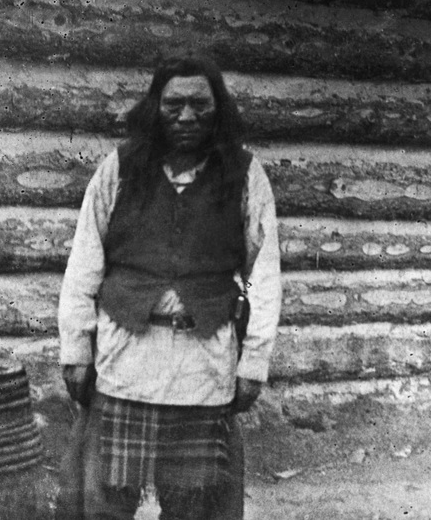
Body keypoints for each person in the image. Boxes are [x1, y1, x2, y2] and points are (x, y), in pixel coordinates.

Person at [58, 55, 282, 520]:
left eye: (199, 105)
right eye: (173, 104)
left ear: (217, 109)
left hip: (203, 368)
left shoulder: (244, 175)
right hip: (125, 363)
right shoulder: (118, 169)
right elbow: (84, 263)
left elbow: (265, 272)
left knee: (197, 508)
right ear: (154, 108)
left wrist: (255, 361)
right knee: (104, 504)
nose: (185, 116)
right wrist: (76, 349)